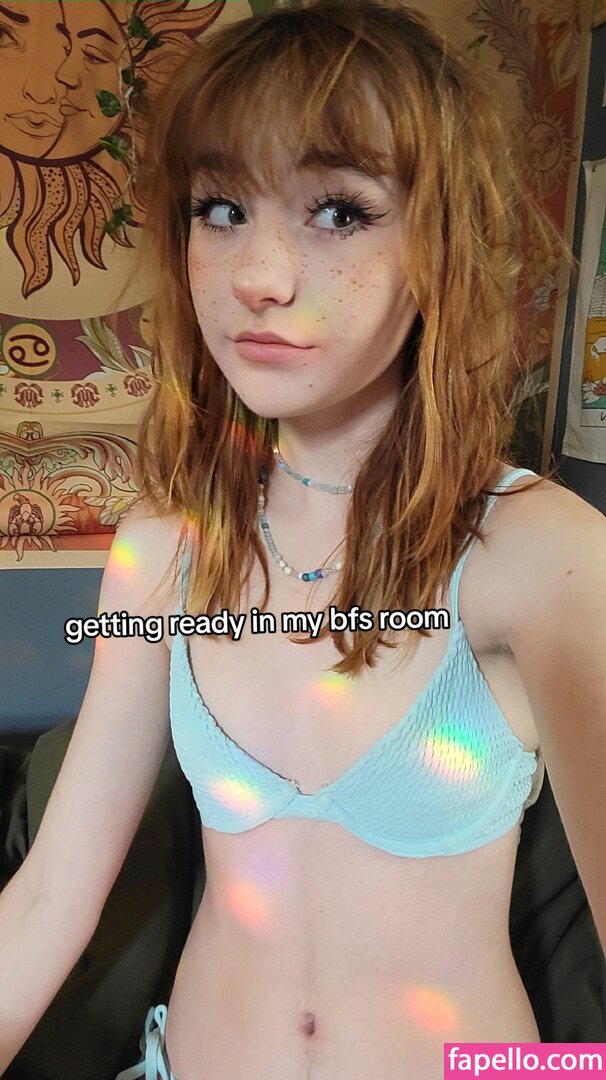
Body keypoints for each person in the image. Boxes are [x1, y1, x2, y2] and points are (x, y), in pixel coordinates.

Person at [1, 2, 604, 1078]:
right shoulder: (163, 552)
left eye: (337, 211)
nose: (258, 276)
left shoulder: (543, 558)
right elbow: (49, 897)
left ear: (440, 243)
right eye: (222, 207)